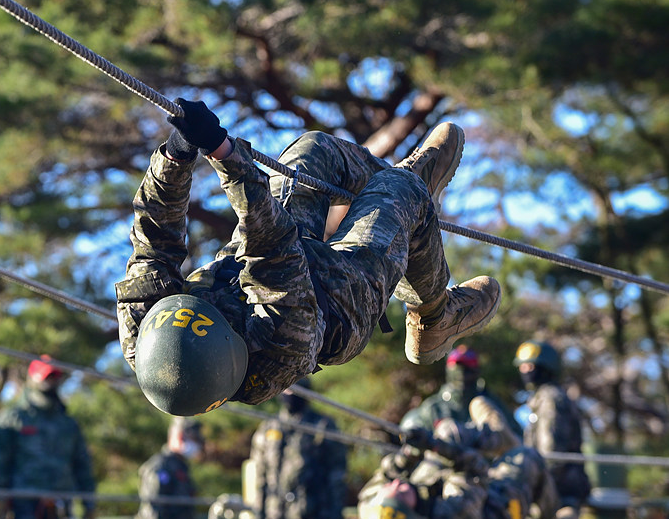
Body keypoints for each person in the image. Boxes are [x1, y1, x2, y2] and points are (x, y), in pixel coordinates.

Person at [116, 98, 501, 415]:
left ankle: (404, 199)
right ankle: (435, 316)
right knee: (404, 190)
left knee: (313, 149)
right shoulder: (278, 347)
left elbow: (154, 239)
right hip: (340, 297)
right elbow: (272, 248)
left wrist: (177, 153)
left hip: (252, 262)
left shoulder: (144, 336)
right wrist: (223, 154)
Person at [353, 397, 575, 519]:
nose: (397, 485)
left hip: (438, 494)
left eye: (389, 492)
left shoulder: (373, 510)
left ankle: (495, 435)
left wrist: (410, 454)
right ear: (417, 516)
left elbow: (387, 476)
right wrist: (437, 447)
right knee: (527, 458)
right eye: (401, 495)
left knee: (450, 433)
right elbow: (474, 472)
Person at [0, 355, 97, 519]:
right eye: (46, 377)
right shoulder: (14, 418)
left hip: (60, 507)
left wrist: (89, 504)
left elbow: (82, 465)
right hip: (23, 507)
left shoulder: (67, 423)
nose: (50, 382)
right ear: (32, 378)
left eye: (54, 377)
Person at [249, 378, 348, 519]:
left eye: (296, 391)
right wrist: (259, 512)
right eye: (286, 390)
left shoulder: (322, 426)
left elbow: (337, 472)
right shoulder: (268, 429)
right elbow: (261, 476)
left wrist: (335, 510)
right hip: (277, 514)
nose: (290, 395)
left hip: (314, 512)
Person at [514, 340, 590, 519]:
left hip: (558, 490)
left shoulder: (549, 399)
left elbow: (551, 452)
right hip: (554, 487)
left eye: (530, 366)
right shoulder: (544, 397)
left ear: (545, 369)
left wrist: (533, 483)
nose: (524, 372)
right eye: (522, 367)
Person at [400, 345, 521, 436]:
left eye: (467, 367)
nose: (462, 373)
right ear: (449, 370)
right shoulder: (434, 408)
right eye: (457, 367)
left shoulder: (491, 404)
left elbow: (514, 437)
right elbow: (412, 440)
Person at [136, 418, 204, 519]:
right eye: (192, 439)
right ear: (179, 436)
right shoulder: (160, 466)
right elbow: (152, 509)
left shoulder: (181, 467)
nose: (196, 445)